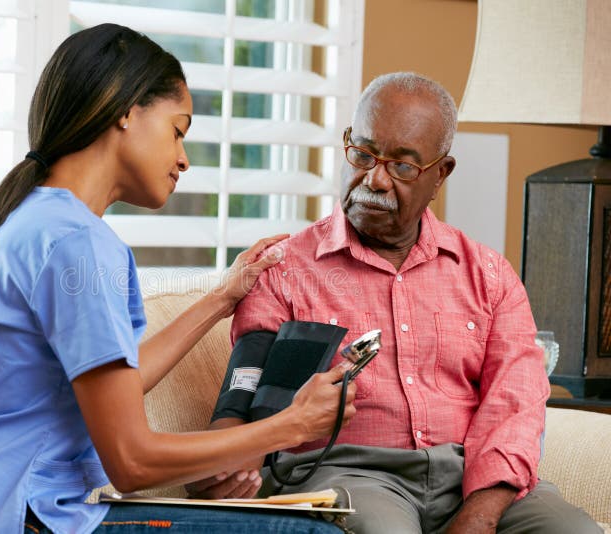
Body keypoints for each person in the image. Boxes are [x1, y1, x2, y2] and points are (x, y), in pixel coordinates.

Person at [0, 24, 357, 534]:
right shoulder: (78, 243)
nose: (184, 158)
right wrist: (289, 425)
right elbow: (131, 462)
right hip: (20, 517)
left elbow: (119, 383)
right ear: (126, 110)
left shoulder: (8, 223)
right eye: (177, 130)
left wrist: (222, 298)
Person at [188, 72, 601, 533]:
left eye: (403, 166)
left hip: (472, 478)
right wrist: (219, 461)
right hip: (350, 476)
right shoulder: (284, 271)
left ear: (440, 173)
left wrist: (479, 517)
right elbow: (240, 404)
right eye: (363, 154)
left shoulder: (489, 275)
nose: (375, 180)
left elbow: (516, 405)